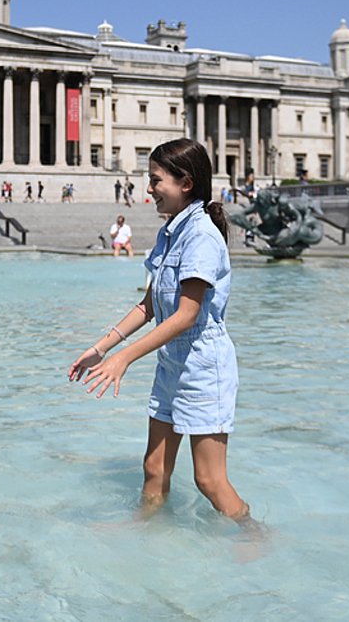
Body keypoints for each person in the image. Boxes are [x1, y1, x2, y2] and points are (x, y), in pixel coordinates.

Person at [68, 138, 255, 529]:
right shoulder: (170, 233)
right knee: (153, 468)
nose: (149, 189)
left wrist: (125, 358)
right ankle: (144, 534)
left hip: (204, 368)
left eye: (155, 180)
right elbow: (149, 306)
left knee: (209, 480)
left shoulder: (202, 235)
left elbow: (187, 315)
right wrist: (101, 348)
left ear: (185, 182)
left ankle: (255, 537)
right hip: (172, 365)